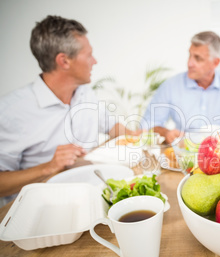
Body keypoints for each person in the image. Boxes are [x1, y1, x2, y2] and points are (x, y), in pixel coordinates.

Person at [0, 15, 137, 206]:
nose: (95, 61)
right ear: (64, 61)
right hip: (40, 208)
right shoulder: (9, 112)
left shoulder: (84, 93)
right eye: (88, 55)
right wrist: (49, 167)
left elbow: (112, 126)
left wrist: (144, 137)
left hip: (93, 195)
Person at [140, 31, 220, 144]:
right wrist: (166, 132)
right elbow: (148, 124)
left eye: (198, 58)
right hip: (183, 154)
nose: (190, 63)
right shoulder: (170, 86)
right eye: (190, 55)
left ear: (215, 62)